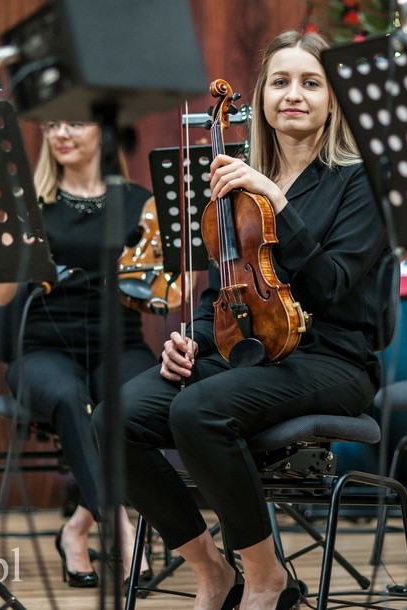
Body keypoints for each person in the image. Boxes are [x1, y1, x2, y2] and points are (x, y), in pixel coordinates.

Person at [92, 30, 391, 610]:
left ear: (334, 99)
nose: (294, 94)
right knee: (114, 419)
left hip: (333, 358)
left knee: (198, 410)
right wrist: (191, 341)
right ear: (261, 97)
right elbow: (225, 293)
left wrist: (276, 201)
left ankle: (265, 577)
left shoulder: (361, 179)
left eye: (311, 83)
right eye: (280, 82)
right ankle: (212, 570)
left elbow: (331, 285)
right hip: (249, 351)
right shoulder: (237, 185)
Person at [0, 119, 156, 587]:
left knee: (135, 401)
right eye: (52, 124)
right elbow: (1, 297)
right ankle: (119, 524)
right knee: (68, 397)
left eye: (75, 123)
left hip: (119, 342)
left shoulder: (140, 203)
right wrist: (10, 250)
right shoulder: (28, 203)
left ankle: (76, 528)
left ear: (104, 130)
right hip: (42, 348)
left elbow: (165, 291)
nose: (61, 133)